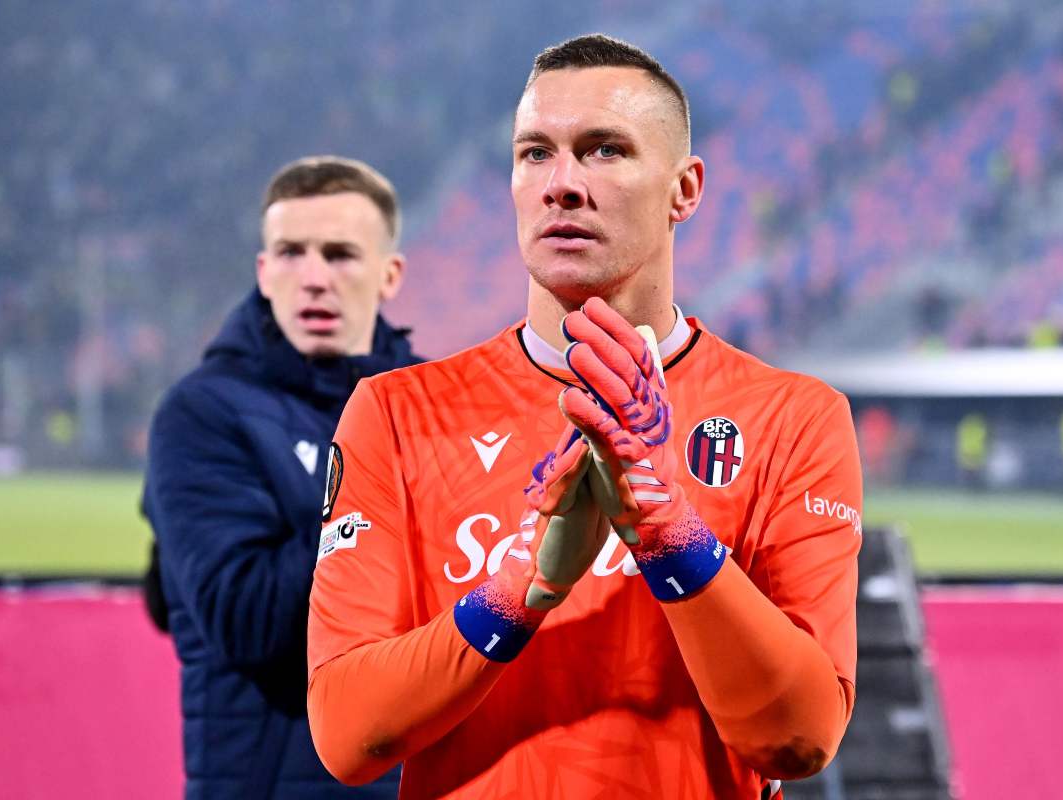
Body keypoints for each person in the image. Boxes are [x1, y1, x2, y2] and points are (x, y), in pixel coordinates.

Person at [308, 36, 862, 800]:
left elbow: (798, 738)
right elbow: (345, 735)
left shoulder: (792, 420)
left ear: (685, 189)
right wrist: (524, 584)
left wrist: (671, 533)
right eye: (536, 153)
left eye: (604, 150)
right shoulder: (397, 414)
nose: (562, 184)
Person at [143, 156, 417, 799]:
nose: (314, 278)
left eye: (341, 254)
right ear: (264, 272)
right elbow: (249, 619)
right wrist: (388, 502)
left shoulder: (435, 404)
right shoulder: (203, 413)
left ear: (390, 274)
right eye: (291, 253)